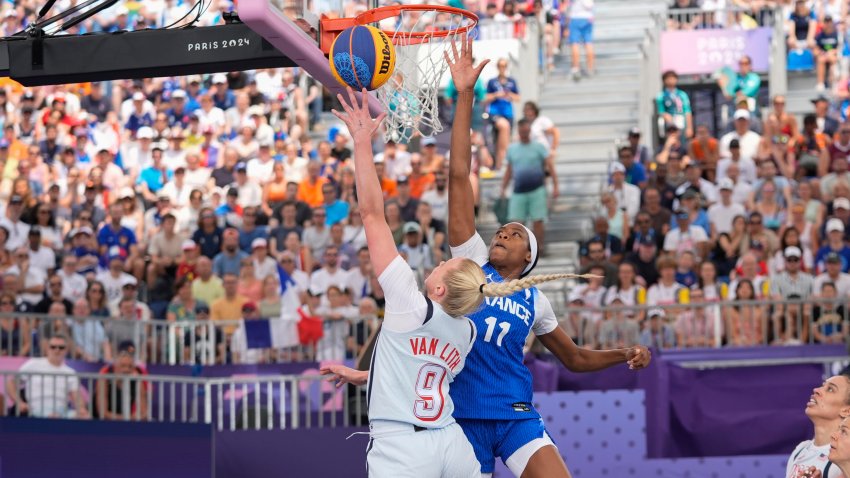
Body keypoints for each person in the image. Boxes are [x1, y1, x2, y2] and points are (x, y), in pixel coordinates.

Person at [320, 78, 587, 477]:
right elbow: (421, 366)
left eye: (444, 264)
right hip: (449, 438)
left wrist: (361, 143)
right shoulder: (462, 334)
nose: (440, 261)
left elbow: (372, 214)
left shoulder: (407, 302)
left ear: (441, 287)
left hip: (403, 445)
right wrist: (365, 374)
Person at [441, 37, 651, 477]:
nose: (502, 231)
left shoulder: (535, 299)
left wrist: (623, 352)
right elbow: (459, 174)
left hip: (516, 415)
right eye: (502, 228)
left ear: (528, 257)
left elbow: (574, 358)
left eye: (514, 233)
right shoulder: (470, 259)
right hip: (461, 418)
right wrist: (464, 96)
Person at [5, 334, 90, 419]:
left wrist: (81, 409)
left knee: (85, 417)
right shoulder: (34, 363)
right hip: (35, 409)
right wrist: (19, 403)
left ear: (66, 350)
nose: (57, 350)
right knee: (52, 417)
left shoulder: (70, 372)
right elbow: (11, 383)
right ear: (47, 349)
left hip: (62, 411)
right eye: (53, 347)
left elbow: (77, 397)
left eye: (61, 347)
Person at [786, 374, 850, 478]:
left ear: (846, 410)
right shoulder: (800, 450)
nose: (816, 390)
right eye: (823, 386)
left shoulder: (843, 455)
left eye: (830, 389)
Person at [96, 341, 149, 421]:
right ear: (115, 366)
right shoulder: (105, 378)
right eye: (123, 366)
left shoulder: (138, 380)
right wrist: (127, 419)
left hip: (127, 423)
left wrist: (130, 419)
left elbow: (143, 412)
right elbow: (103, 413)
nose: (126, 370)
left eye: (130, 366)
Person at [656, 70, 693, 139]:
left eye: (673, 78)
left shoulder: (682, 94)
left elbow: (687, 111)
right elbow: (661, 111)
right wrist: (669, 119)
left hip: (682, 123)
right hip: (669, 126)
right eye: (668, 78)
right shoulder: (661, 96)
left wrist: (689, 127)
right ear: (664, 81)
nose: (671, 80)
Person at [568, 0, 595, 79]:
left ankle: (576, 68)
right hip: (588, 17)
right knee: (588, 42)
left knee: (574, 43)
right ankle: (590, 68)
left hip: (576, 17)